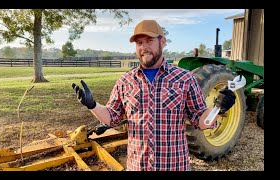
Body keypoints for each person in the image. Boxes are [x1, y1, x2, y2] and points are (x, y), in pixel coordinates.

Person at [71, 20, 236, 171]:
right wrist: (92, 104)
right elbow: (112, 117)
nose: (143, 47)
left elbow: (201, 120)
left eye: (149, 41)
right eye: (139, 43)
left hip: (174, 166)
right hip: (137, 166)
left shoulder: (185, 79)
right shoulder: (125, 81)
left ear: (162, 42)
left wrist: (218, 108)